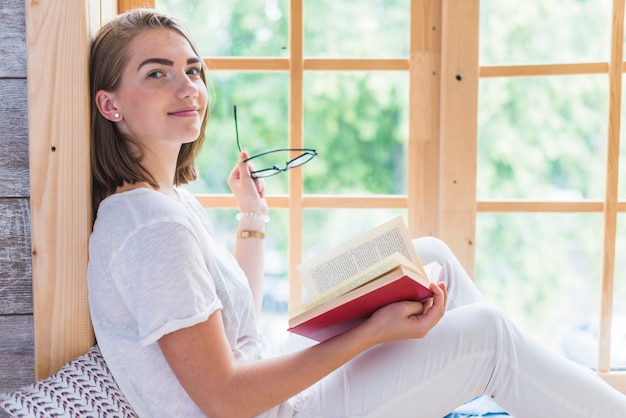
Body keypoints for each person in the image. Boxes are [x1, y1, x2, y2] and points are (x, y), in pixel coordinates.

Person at [87, 8, 626, 418]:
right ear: (110, 104)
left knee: (426, 255)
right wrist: (370, 332)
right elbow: (225, 398)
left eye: (193, 69)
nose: (188, 88)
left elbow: (234, 329)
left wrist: (251, 220)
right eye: (157, 74)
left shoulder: (167, 202)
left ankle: (497, 395)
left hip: (269, 387)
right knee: (489, 335)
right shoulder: (149, 228)